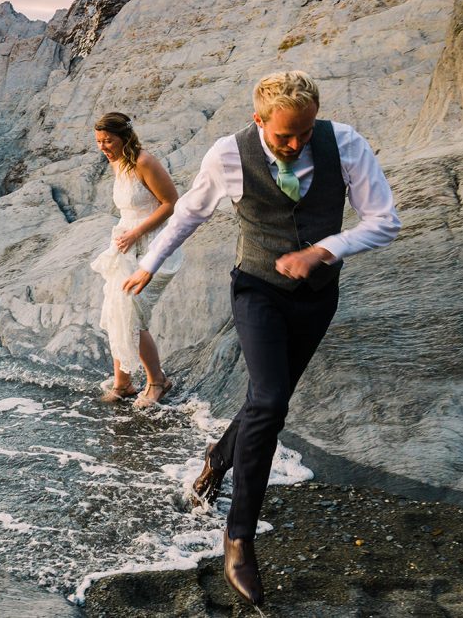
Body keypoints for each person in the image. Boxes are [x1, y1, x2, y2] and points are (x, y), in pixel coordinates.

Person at [122, 71, 400, 605]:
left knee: (267, 402)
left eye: (304, 133)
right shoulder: (227, 155)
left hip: (317, 295)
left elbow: (385, 221)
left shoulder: (345, 143)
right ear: (259, 121)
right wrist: (151, 264)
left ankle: (216, 457)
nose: (295, 145)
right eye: (283, 137)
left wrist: (324, 250)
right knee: (270, 400)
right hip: (257, 291)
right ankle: (239, 538)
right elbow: (188, 214)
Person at [89, 112, 182, 408]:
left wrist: (136, 233)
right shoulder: (116, 161)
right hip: (127, 245)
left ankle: (158, 381)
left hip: (154, 246)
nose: (103, 147)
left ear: (124, 137)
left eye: (108, 140)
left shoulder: (144, 161)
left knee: (132, 312)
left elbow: (171, 203)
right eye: (99, 142)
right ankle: (123, 383)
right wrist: (126, 236)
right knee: (117, 309)